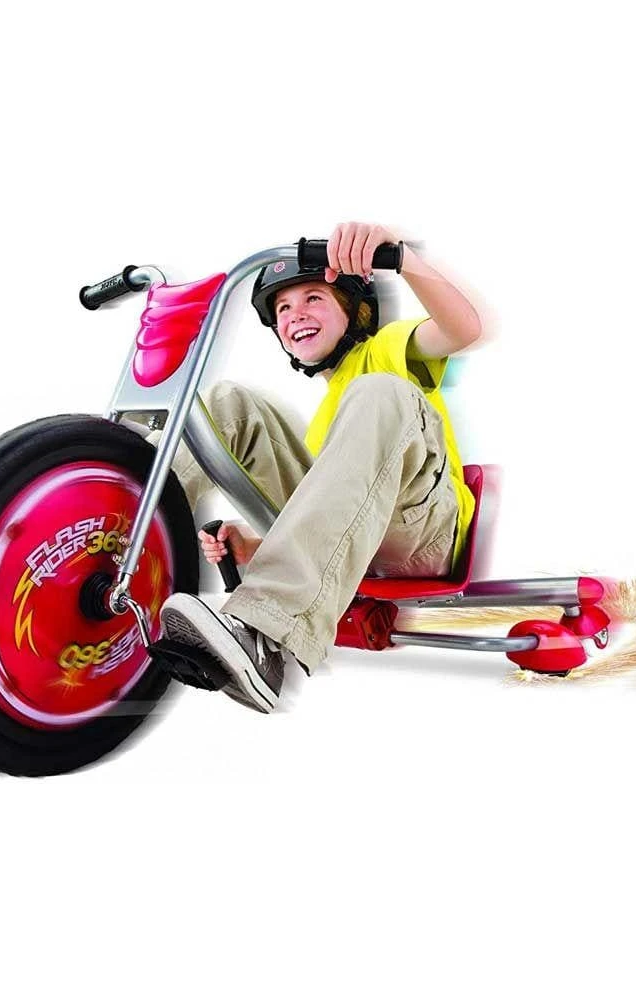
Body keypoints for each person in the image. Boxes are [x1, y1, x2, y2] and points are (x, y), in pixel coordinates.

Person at [159, 221, 482, 712]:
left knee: (378, 392)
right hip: (360, 548)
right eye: (283, 308)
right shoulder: (325, 429)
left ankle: (262, 633)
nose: (296, 315)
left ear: (356, 311)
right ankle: (115, 539)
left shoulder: (385, 353)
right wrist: (255, 543)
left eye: (313, 298)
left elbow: (463, 329)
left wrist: (404, 259)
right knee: (227, 404)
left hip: (423, 534)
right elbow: (339, 511)